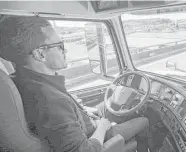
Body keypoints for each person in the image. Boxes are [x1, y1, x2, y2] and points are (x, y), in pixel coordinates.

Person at [0, 16, 150, 152]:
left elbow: (61, 117)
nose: (65, 50)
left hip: (85, 125)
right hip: (92, 134)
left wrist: (81, 111)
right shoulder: (51, 100)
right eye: (59, 45)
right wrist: (103, 127)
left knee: (107, 107)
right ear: (40, 54)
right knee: (144, 121)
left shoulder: (23, 79)